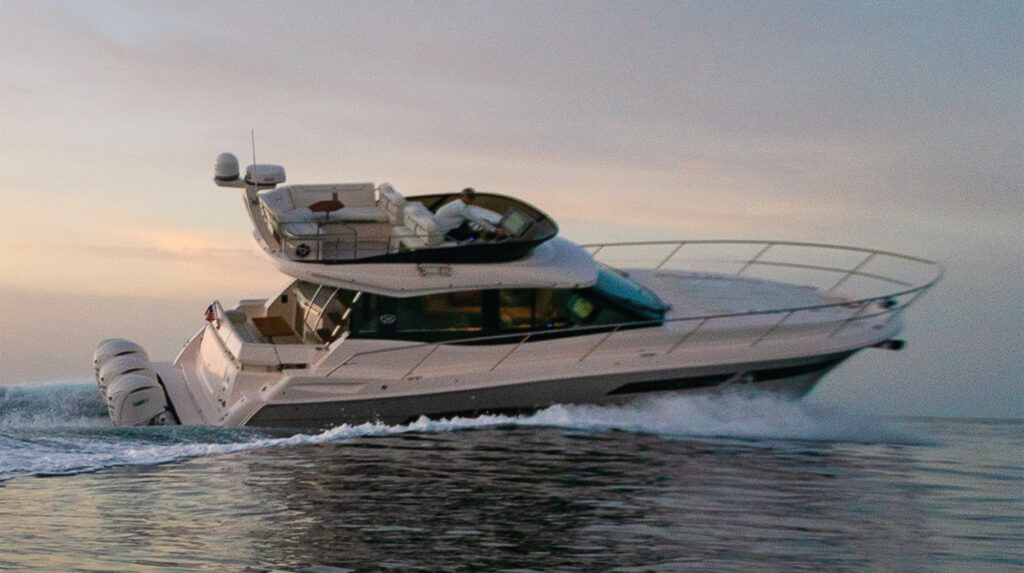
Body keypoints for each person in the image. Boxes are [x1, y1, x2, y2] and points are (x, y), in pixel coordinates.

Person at [434, 187, 507, 241]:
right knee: (476, 235)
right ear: (462, 196)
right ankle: (474, 241)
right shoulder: (461, 207)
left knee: (471, 227)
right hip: (446, 232)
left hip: (447, 226)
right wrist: (495, 230)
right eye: (469, 197)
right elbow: (476, 220)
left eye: (472, 197)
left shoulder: (458, 203)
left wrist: (489, 226)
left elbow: (473, 218)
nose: (471, 199)